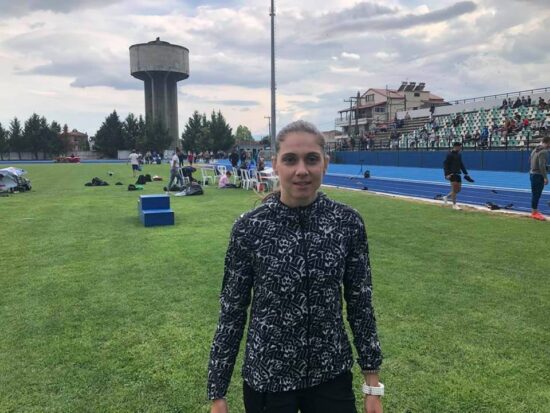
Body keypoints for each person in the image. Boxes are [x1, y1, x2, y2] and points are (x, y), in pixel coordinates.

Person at [207, 120, 384, 413]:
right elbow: (232, 312)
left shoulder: (347, 223)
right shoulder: (250, 228)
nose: (302, 170)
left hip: (331, 374)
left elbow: (360, 304)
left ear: (325, 164)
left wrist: (372, 385)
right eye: (290, 160)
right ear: (275, 165)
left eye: (311, 159)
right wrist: (218, 393)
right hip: (268, 377)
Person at [443, 142, 473, 210]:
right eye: (459, 147)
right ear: (455, 146)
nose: (460, 148)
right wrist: (446, 174)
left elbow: (461, 164)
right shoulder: (449, 154)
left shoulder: (459, 154)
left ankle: (446, 197)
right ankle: (454, 205)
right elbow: (445, 164)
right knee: (454, 189)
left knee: (458, 190)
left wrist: (465, 173)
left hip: (458, 173)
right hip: (451, 174)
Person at [529, 136, 549, 221]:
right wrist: (545, 177)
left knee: (535, 194)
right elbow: (541, 165)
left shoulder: (535, 149)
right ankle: (534, 212)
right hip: (538, 175)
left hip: (532, 173)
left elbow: (530, 160)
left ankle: (535, 211)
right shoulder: (544, 151)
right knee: (536, 194)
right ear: (548, 142)